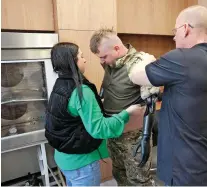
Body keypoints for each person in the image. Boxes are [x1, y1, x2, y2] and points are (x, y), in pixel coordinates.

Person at [129, 5, 207, 186]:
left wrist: (145, 60)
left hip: (187, 172)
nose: (174, 36)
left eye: (175, 30)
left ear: (186, 29)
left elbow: (137, 76)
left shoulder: (182, 58)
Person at [44, 42, 144, 186]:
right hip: (82, 163)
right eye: (81, 56)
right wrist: (127, 113)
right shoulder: (81, 91)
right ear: (73, 61)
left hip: (64, 159)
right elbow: (100, 129)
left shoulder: (59, 84)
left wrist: (98, 103)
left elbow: (72, 114)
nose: (85, 60)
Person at [89, 29, 159, 186]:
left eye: (104, 56)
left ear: (116, 48)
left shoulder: (140, 63)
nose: (103, 61)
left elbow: (153, 94)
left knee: (139, 181)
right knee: (120, 175)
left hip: (133, 138)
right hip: (113, 134)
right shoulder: (110, 63)